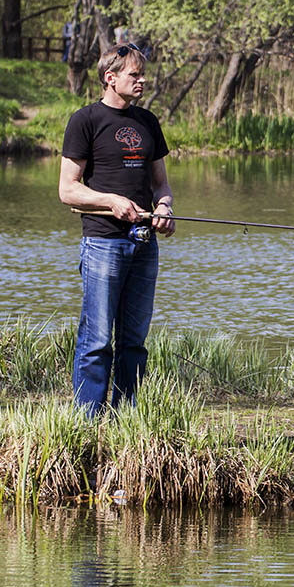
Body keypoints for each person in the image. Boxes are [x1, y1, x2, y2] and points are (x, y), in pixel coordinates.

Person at [58, 44, 175, 417]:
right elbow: (67, 189)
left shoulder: (148, 122)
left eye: (142, 75)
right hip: (103, 242)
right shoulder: (85, 121)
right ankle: (86, 424)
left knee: (134, 342)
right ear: (111, 78)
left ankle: (125, 420)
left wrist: (164, 208)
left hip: (144, 243)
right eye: (134, 75)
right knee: (96, 342)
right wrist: (111, 201)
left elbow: (162, 185)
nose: (142, 81)